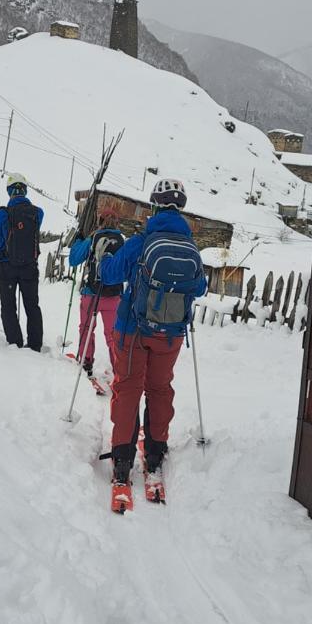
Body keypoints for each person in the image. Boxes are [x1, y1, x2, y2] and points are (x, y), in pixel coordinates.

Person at [99, 178, 207, 486]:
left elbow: (108, 274)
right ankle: (156, 450)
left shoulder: (140, 243)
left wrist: (106, 258)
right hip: (170, 334)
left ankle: (122, 457)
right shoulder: (191, 248)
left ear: (154, 206)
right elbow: (199, 287)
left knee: (128, 388)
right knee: (160, 389)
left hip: (132, 330)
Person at [0, 173, 44, 352]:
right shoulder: (38, 212)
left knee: (8, 306)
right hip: (29, 267)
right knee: (32, 305)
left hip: (6, 266)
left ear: (10, 191)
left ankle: (15, 342)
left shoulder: (3, 213)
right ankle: (34, 345)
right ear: (25, 190)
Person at [68, 209, 124, 376]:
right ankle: (118, 368)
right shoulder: (122, 241)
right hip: (114, 296)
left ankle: (86, 361)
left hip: (91, 293)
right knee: (113, 334)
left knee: (86, 328)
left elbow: (74, 260)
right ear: (117, 223)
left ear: (100, 221)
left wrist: (79, 240)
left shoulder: (93, 238)